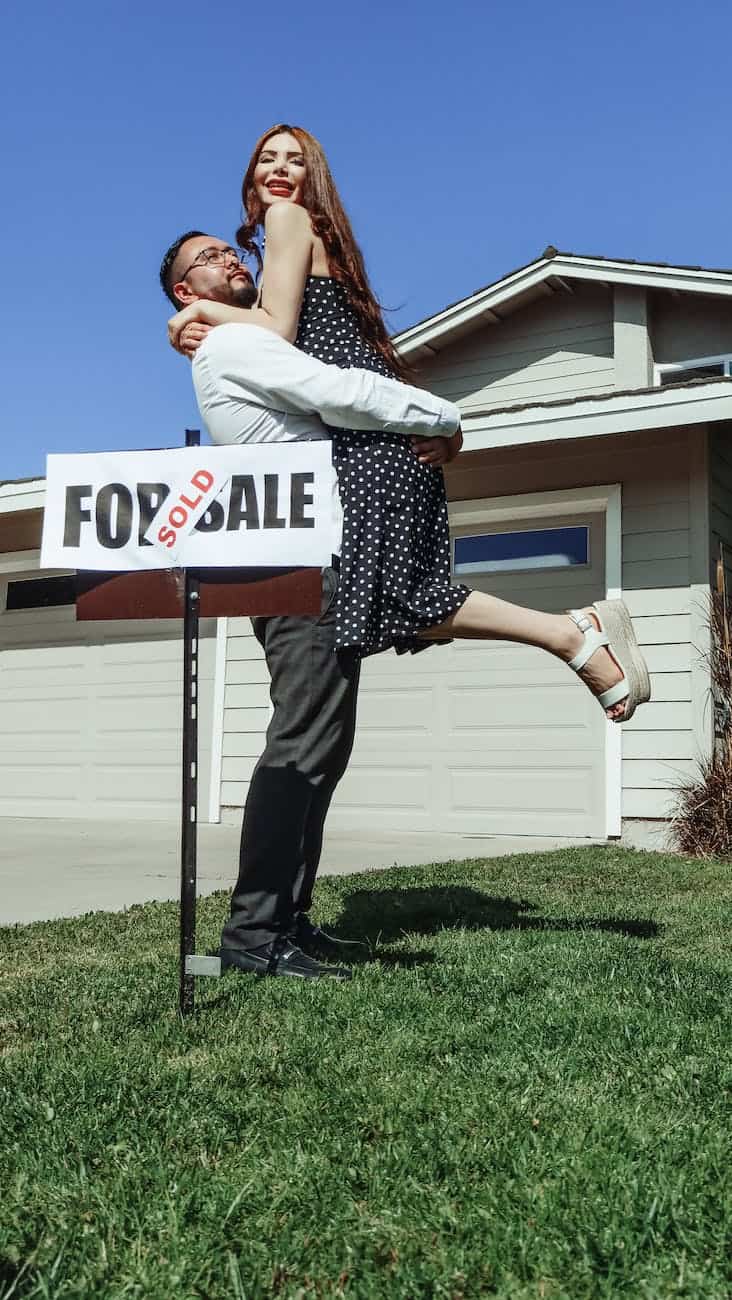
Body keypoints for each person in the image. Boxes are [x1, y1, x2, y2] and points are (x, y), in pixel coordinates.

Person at [168, 124, 650, 733]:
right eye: (268, 159)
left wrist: (196, 313)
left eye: (297, 160)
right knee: (401, 602)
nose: (281, 171)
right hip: (378, 433)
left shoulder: (288, 220)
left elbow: (280, 330)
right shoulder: (316, 243)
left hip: (368, 439)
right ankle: (572, 635)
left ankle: (575, 638)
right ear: (249, 176)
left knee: (402, 600)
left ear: (313, 177)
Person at [159, 232, 463, 983]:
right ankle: (253, 935)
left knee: (322, 747)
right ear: (183, 292)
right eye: (205, 259)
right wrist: (441, 415)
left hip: (313, 560)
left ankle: (288, 921)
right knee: (300, 745)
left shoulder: (231, 336)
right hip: (297, 565)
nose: (231, 259)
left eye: (230, 252)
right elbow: (340, 392)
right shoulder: (230, 345)